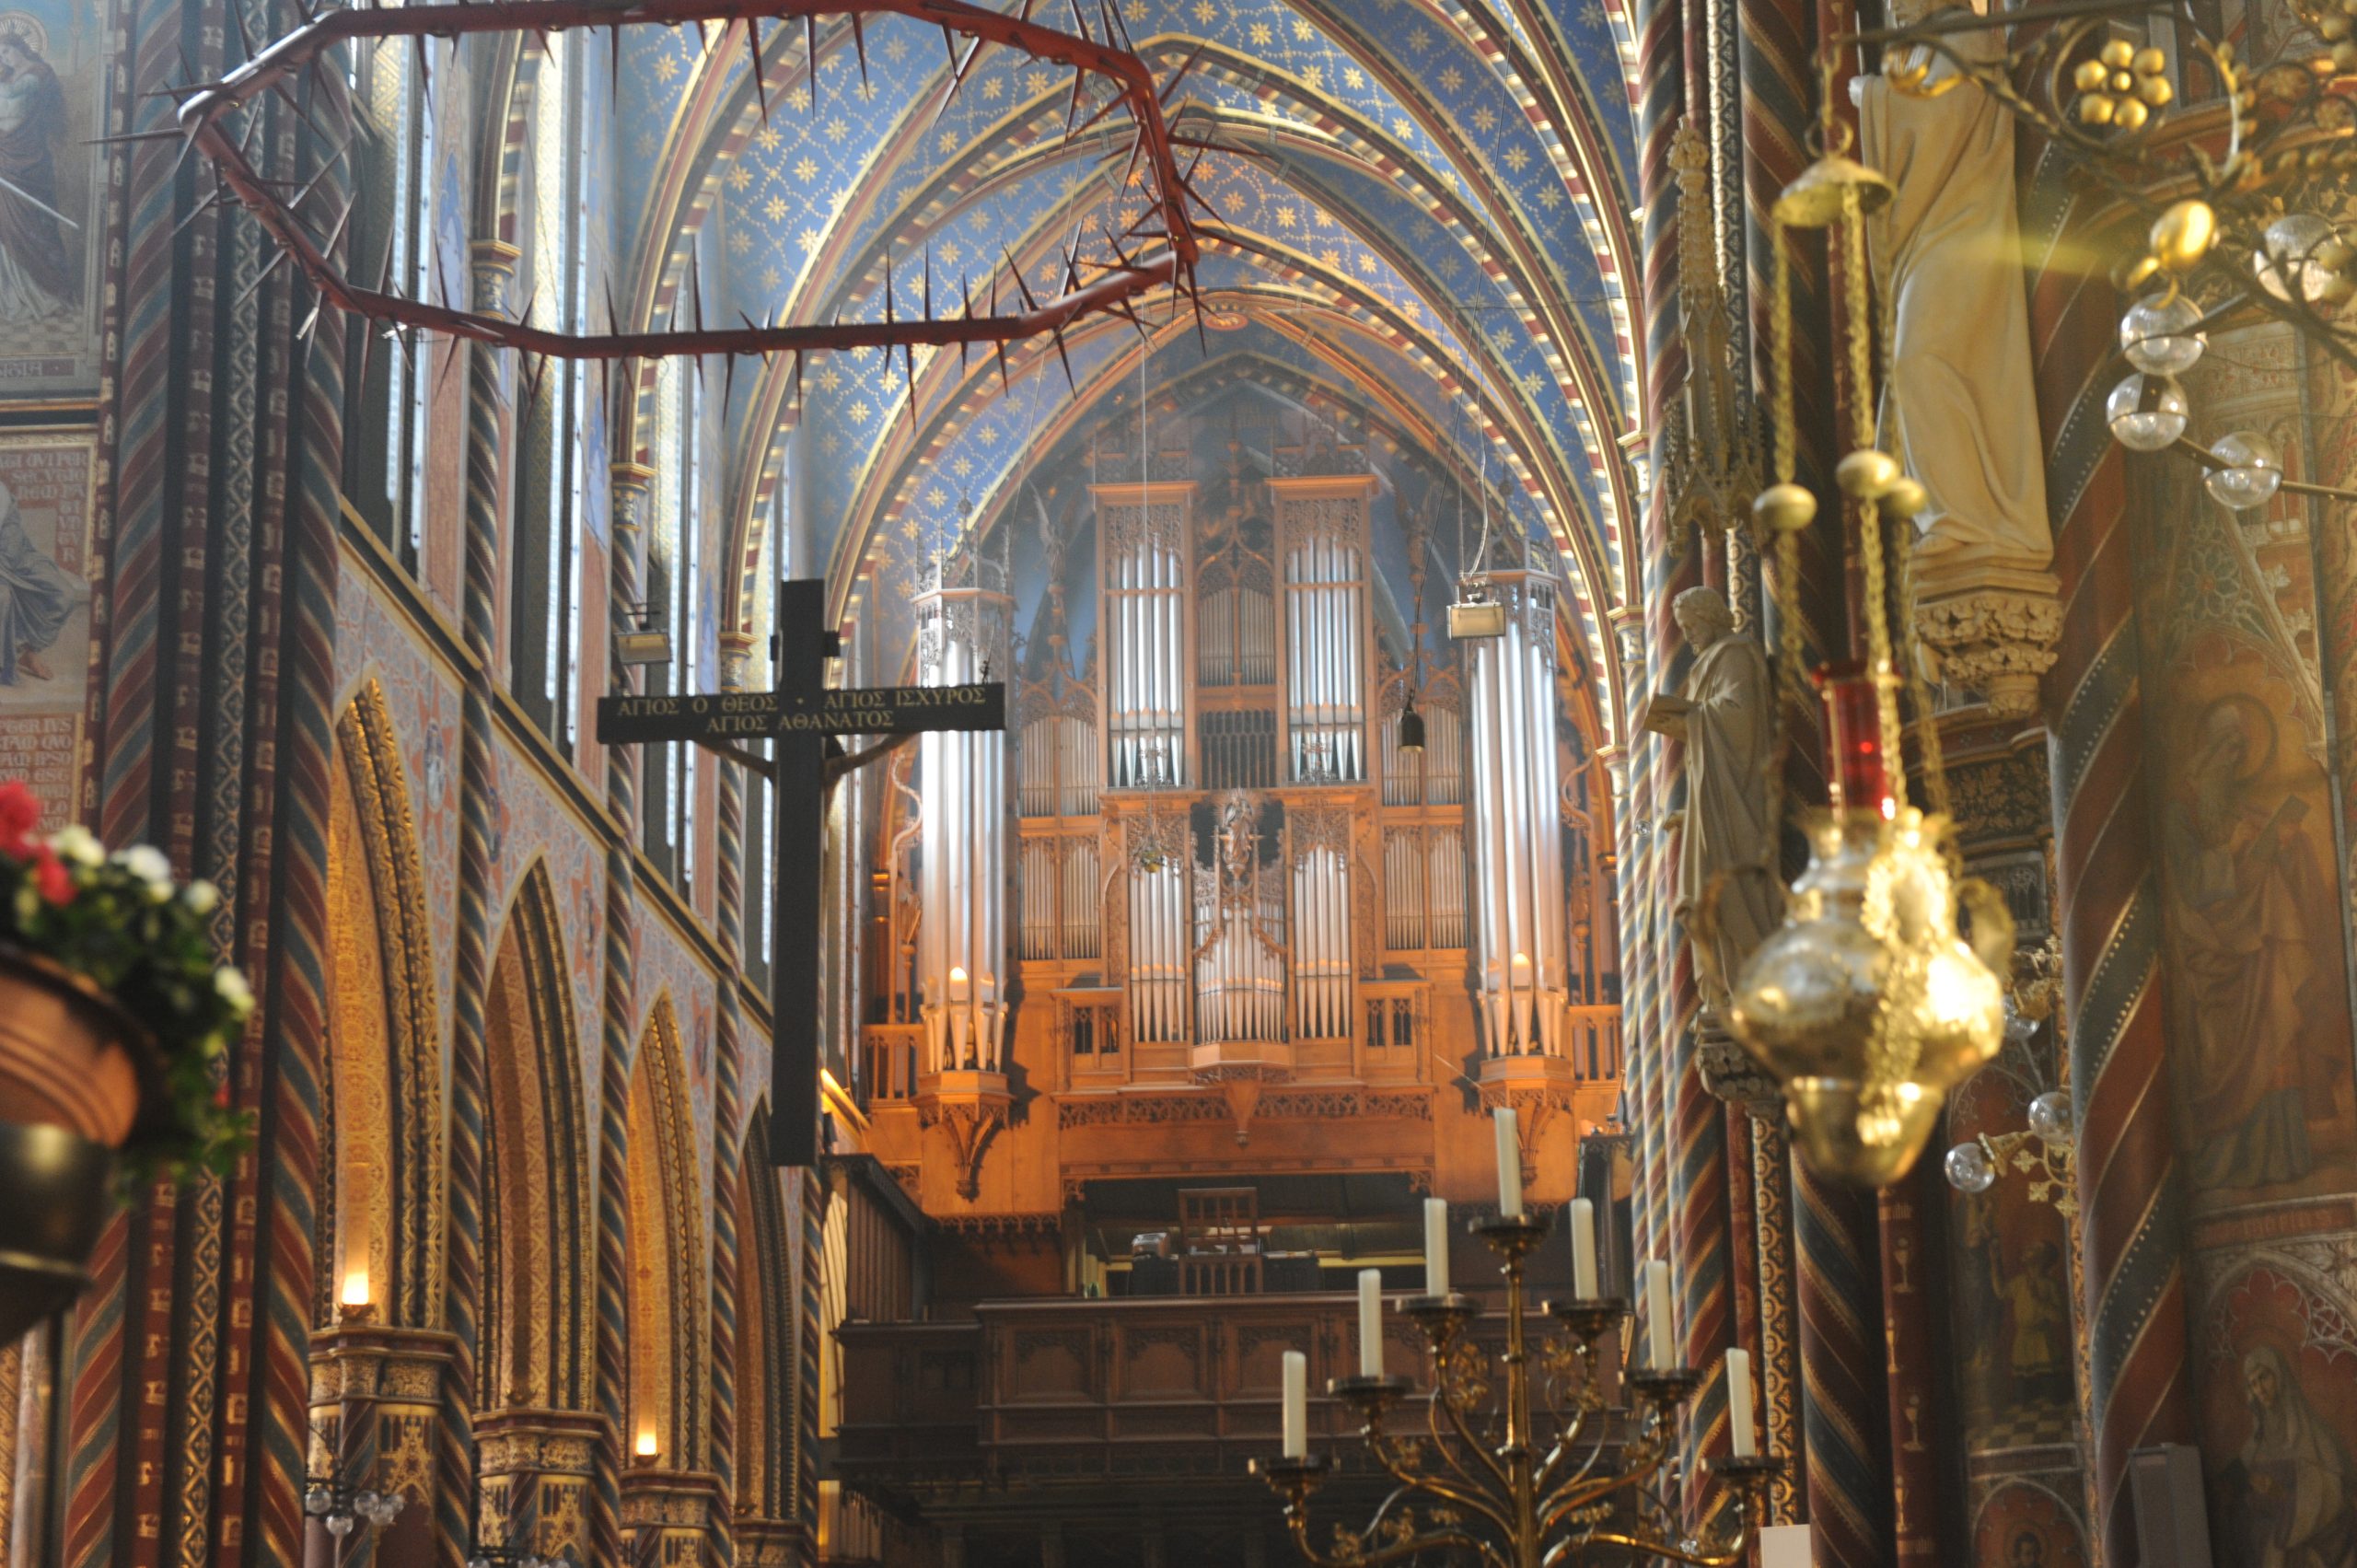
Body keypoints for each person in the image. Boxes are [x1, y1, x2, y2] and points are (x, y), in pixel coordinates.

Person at [2164, 697, 2334, 1191]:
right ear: (2205, 751)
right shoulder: (2181, 812)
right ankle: (2223, 1161)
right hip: (2210, 948)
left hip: (2259, 948)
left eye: (2240, 748)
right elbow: (2190, 884)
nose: (2233, 757)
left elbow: (2264, 867)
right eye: (2225, 747)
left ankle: (2281, 1154)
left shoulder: (2240, 806)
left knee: (2277, 1032)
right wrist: (2232, 850)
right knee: (2220, 1051)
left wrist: (2285, 845)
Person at [1641, 586, 1776, 1015]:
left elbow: (1740, 718)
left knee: (1722, 892)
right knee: (1698, 906)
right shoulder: (1711, 661)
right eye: (1681, 628)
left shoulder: (1734, 654)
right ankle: (1723, 987)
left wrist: (1691, 716)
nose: (1689, 634)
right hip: (1713, 799)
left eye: (1692, 625)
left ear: (1712, 617)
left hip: (1736, 800)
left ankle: (1747, 982)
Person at [2231, 1344, 2357, 1568]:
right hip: (2275, 1531)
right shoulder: (2256, 1443)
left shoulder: (2314, 1433)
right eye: (2253, 1383)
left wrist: (2288, 1494)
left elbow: (2335, 1491)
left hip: (2316, 1531)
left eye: (2264, 1378)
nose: (2260, 1389)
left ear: (2279, 1376)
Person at [0, 26, 72, 323]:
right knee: (5, 228)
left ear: (19, 47)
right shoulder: (6, 79)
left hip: (29, 161)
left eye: (5, 51)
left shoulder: (40, 75)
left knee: (34, 227)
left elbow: (28, 113)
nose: (3, 58)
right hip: (5, 157)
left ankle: (47, 294)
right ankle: (13, 298)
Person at [0, 481, 73, 685]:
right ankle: (5, 662)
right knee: (1, 597)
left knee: (64, 594)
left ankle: (30, 650)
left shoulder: (1, 492)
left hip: (18, 558)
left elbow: (10, 538)